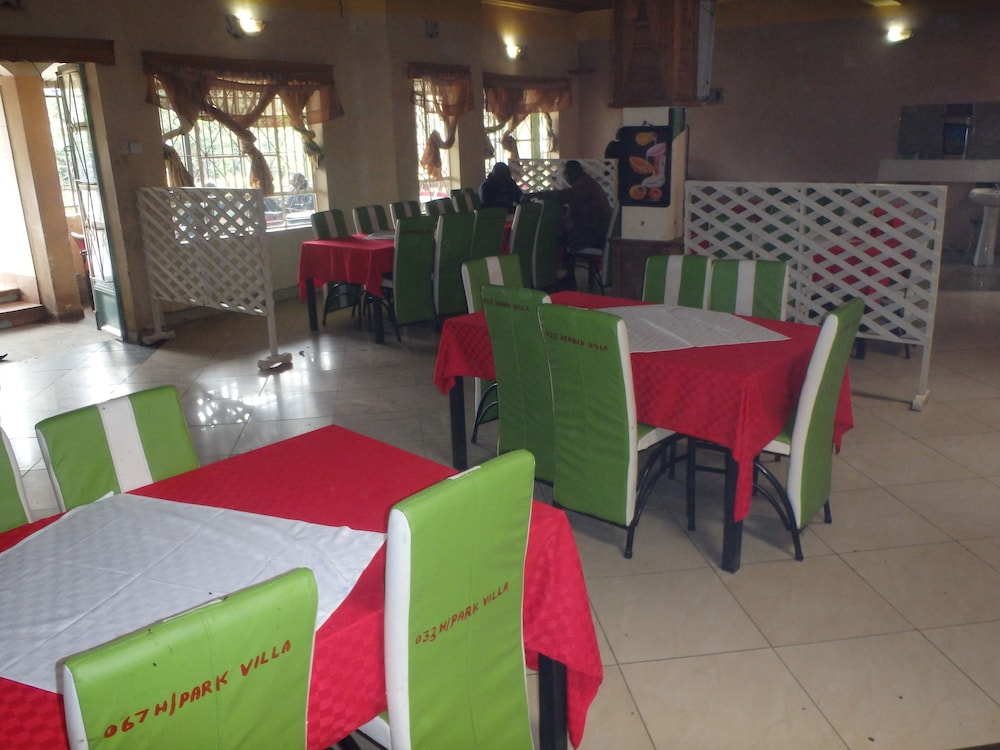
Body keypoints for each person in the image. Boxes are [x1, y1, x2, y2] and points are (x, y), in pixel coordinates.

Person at [527, 160, 612, 289]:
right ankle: (566, 277)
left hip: (592, 236)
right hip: (597, 233)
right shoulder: (589, 183)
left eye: (566, 173)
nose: (565, 177)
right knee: (561, 237)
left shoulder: (584, 186)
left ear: (573, 173)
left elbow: (563, 195)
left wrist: (535, 195)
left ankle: (560, 279)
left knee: (552, 240)